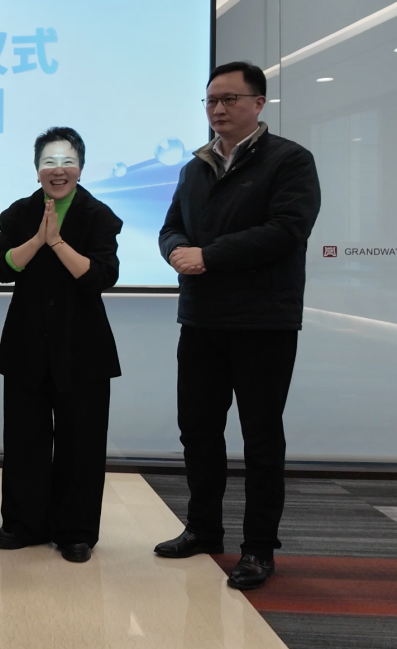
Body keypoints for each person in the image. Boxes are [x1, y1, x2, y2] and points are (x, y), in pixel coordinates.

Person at [155, 61, 321, 591]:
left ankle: (258, 548)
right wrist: (175, 250)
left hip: (262, 321)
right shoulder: (195, 167)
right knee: (198, 431)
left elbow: (287, 230)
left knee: (260, 437)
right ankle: (203, 529)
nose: (218, 109)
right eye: (211, 100)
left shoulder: (289, 160)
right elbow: (171, 226)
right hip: (201, 319)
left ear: (258, 103)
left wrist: (209, 256)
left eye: (229, 99)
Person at [0, 127, 122, 563]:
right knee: (24, 439)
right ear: (36, 168)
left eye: (67, 162)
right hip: (26, 342)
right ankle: (22, 523)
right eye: (48, 162)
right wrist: (37, 240)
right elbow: (0, 267)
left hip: (82, 346)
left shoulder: (98, 215)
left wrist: (58, 242)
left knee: (81, 442)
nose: (57, 170)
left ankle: (75, 531)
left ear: (80, 167)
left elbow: (101, 276)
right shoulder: (19, 212)